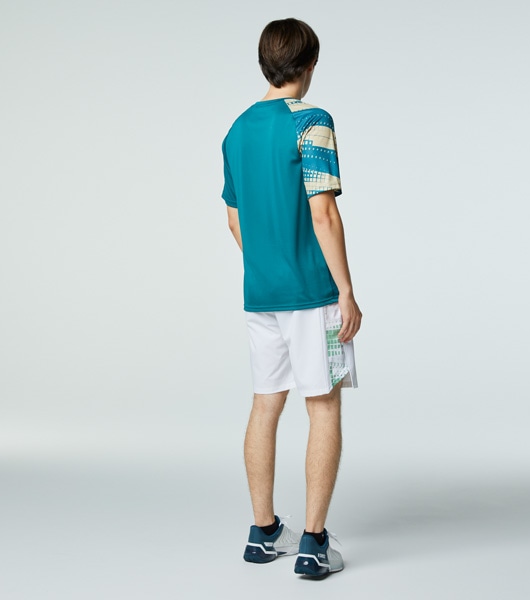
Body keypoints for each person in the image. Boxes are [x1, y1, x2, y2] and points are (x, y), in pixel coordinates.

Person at [221, 17, 362, 578]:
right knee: (322, 406)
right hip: (311, 293)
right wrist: (346, 290)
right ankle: (313, 543)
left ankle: (262, 534)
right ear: (308, 64)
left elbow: (234, 221)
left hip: (261, 294)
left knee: (265, 403)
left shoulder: (236, 131)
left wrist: (267, 264)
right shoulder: (312, 121)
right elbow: (323, 213)